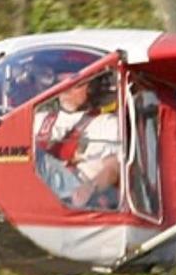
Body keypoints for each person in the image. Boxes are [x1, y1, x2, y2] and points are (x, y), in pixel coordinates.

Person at [34, 75, 120, 209]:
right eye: (60, 82)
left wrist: (91, 187)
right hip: (36, 193)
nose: (65, 88)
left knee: (32, 153)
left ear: (92, 88)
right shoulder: (38, 120)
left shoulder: (107, 123)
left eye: (75, 84)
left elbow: (114, 168)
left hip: (79, 195)